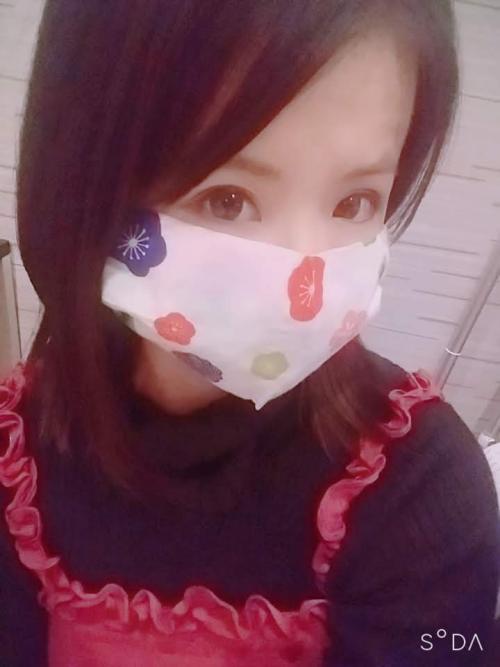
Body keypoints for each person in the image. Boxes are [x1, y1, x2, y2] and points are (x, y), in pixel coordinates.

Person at [0, 1, 499, 665]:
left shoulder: (423, 491)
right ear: (85, 185)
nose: (303, 274)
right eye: (227, 199)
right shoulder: (20, 464)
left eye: (353, 202)